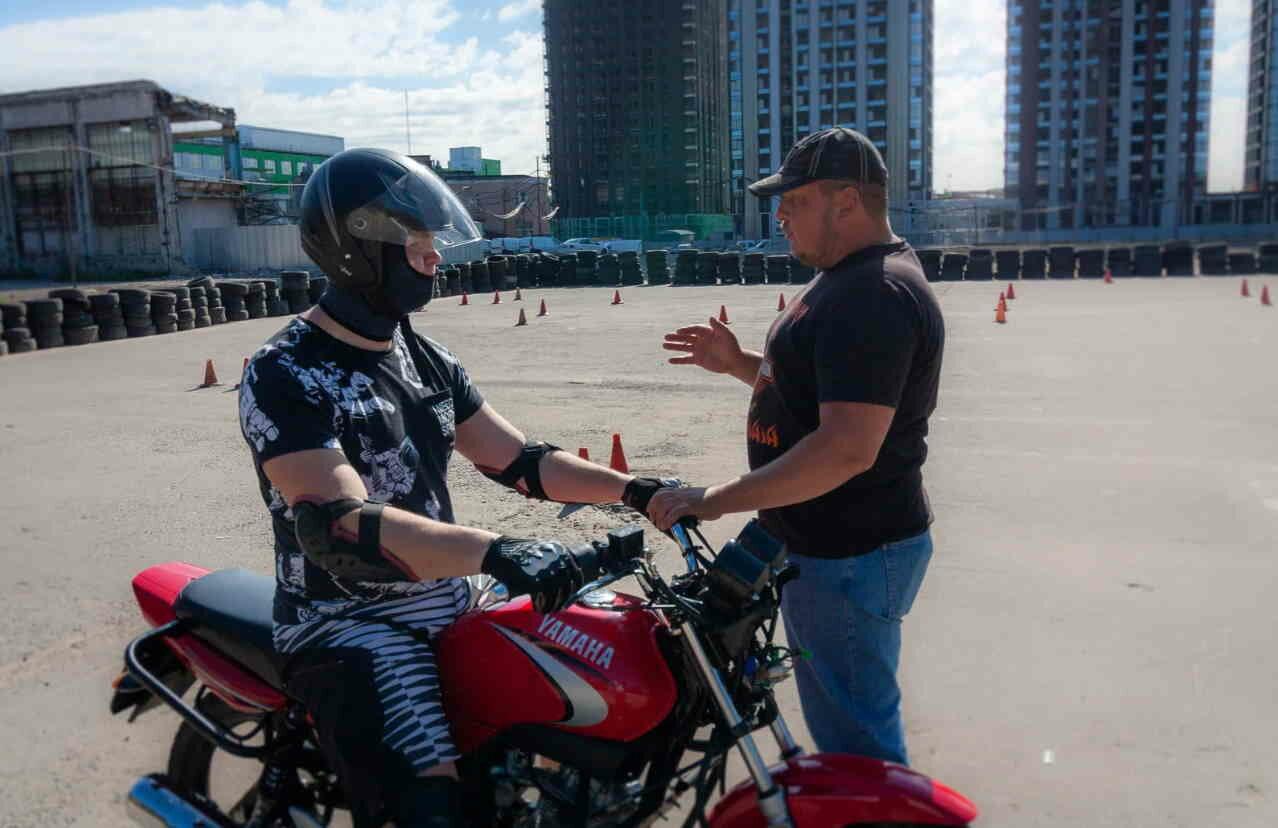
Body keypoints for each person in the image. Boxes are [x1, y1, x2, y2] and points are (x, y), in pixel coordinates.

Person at [237, 148, 674, 828]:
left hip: (450, 595)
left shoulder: (426, 358)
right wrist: (496, 550)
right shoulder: (287, 370)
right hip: (351, 620)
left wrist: (637, 491)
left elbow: (522, 461)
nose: (434, 257)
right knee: (436, 811)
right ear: (360, 248)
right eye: (417, 242)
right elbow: (339, 525)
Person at [647, 127, 945, 767]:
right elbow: (818, 393)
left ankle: (874, 810)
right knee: (844, 716)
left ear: (847, 201)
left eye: (795, 200)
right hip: (828, 543)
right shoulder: (851, 279)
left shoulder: (873, 294)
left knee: (857, 742)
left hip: (849, 552)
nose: (779, 214)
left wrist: (712, 500)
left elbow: (845, 448)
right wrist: (739, 364)